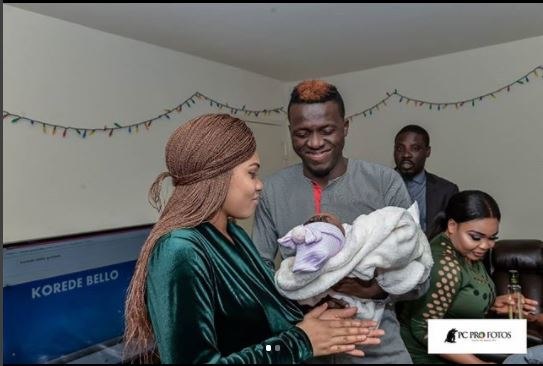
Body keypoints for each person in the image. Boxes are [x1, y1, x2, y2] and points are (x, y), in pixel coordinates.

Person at [123, 114, 385, 364]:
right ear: (219, 175)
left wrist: (311, 318)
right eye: (251, 173)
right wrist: (300, 340)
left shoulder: (234, 233)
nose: (259, 185)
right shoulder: (179, 250)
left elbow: (259, 331)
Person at [253, 80, 426, 364]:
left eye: (327, 130)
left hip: (377, 347)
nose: (315, 142)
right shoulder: (273, 189)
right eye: (302, 133)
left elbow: (420, 273)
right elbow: (257, 272)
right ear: (291, 133)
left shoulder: (384, 183)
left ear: (345, 127)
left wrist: (372, 289)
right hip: (306, 346)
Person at [398, 190, 538, 364]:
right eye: (476, 237)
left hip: (460, 333)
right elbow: (424, 329)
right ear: (452, 226)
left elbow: (458, 297)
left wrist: (493, 304)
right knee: (530, 354)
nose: (485, 245)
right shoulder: (446, 267)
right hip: (427, 353)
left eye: (492, 238)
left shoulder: (466, 250)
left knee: (528, 344)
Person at [274, 205, 432, 327]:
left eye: (322, 221)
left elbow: (405, 231)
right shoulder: (274, 190)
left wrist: (375, 291)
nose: (318, 218)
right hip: (317, 335)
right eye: (312, 224)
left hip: (382, 347)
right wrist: (320, 302)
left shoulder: (362, 232)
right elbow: (289, 285)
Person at [393, 124, 459, 238]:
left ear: (428, 152)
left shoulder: (446, 191)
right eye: (400, 148)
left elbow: (453, 236)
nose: (406, 154)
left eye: (415, 148)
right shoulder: (378, 185)